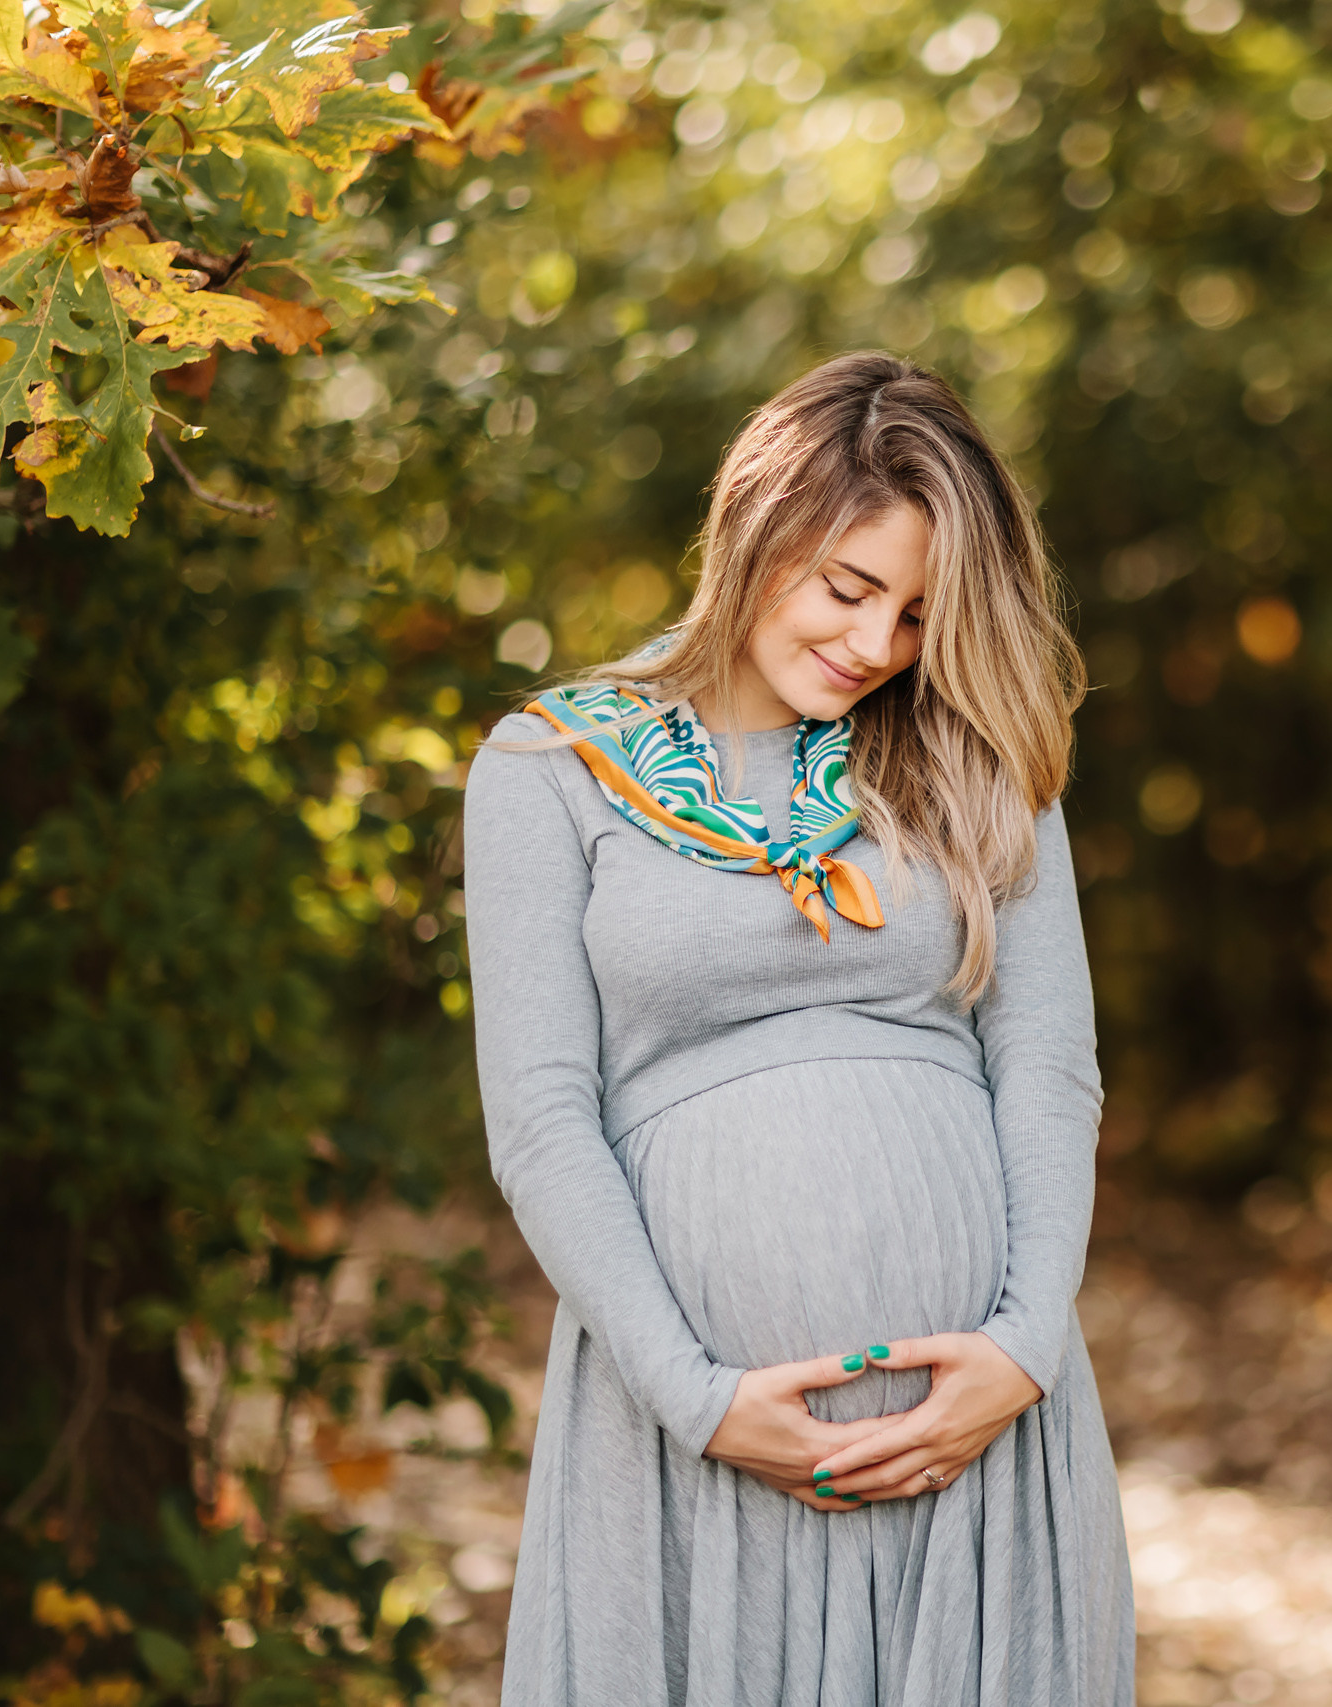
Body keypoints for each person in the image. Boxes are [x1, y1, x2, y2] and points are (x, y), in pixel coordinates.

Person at [462, 352, 1135, 1706]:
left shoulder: (971, 755)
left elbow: (1050, 1067)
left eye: (914, 616)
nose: (874, 645)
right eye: (849, 587)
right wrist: (698, 1399)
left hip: (983, 1434)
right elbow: (543, 1125)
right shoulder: (552, 770)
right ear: (757, 525)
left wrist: (1022, 1350)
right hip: (688, 1435)